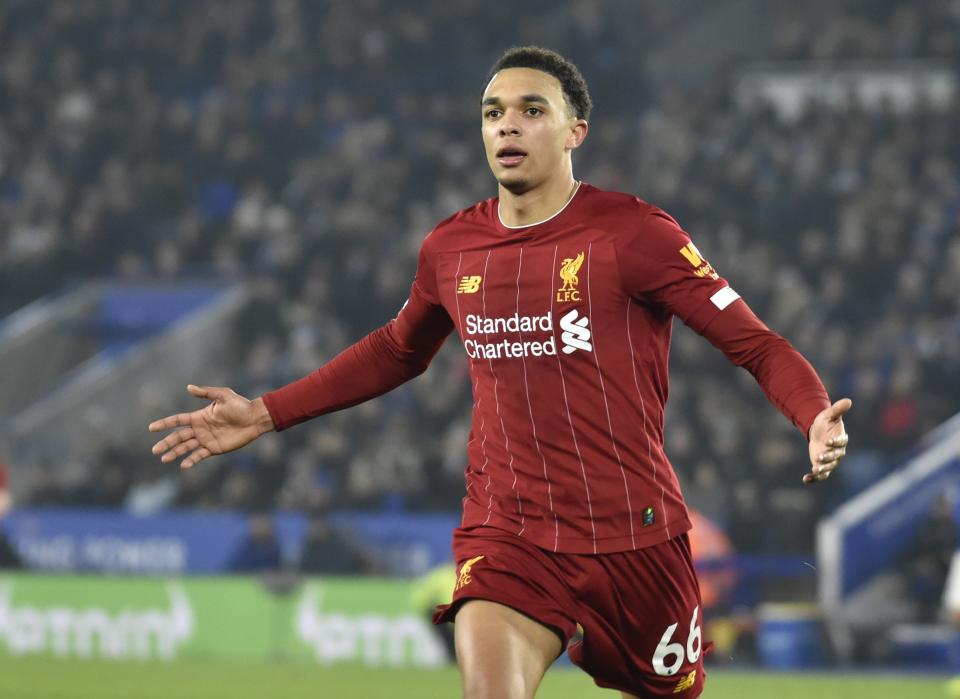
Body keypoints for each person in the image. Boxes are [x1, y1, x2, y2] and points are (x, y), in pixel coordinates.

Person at [149, 46, 851, 698]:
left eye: (531, 110)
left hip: (634, 539)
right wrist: (267, 411)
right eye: (493, 113)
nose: (507, 126)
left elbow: (754, 343)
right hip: (508, 530)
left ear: (576, 130)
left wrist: (810, 411)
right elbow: (399, 348)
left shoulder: (634, 235)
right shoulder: (452, 247)